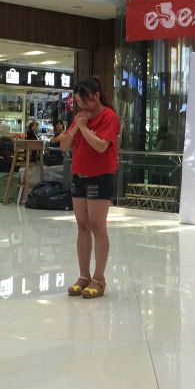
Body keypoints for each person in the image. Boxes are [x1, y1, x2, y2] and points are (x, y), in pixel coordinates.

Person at [60, 77, 119, 299]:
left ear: (97, 95)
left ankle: (98, 278)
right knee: (82, 226)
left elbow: (101, 146)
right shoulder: (80, 118)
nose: (83, 106)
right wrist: (76, 127)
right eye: (78, 102)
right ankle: (83, 276)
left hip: (99, 177)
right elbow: (64, 146)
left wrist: (83, 128)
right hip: (79, 176)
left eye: (86, 101)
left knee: (97, 226)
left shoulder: (108, 116)